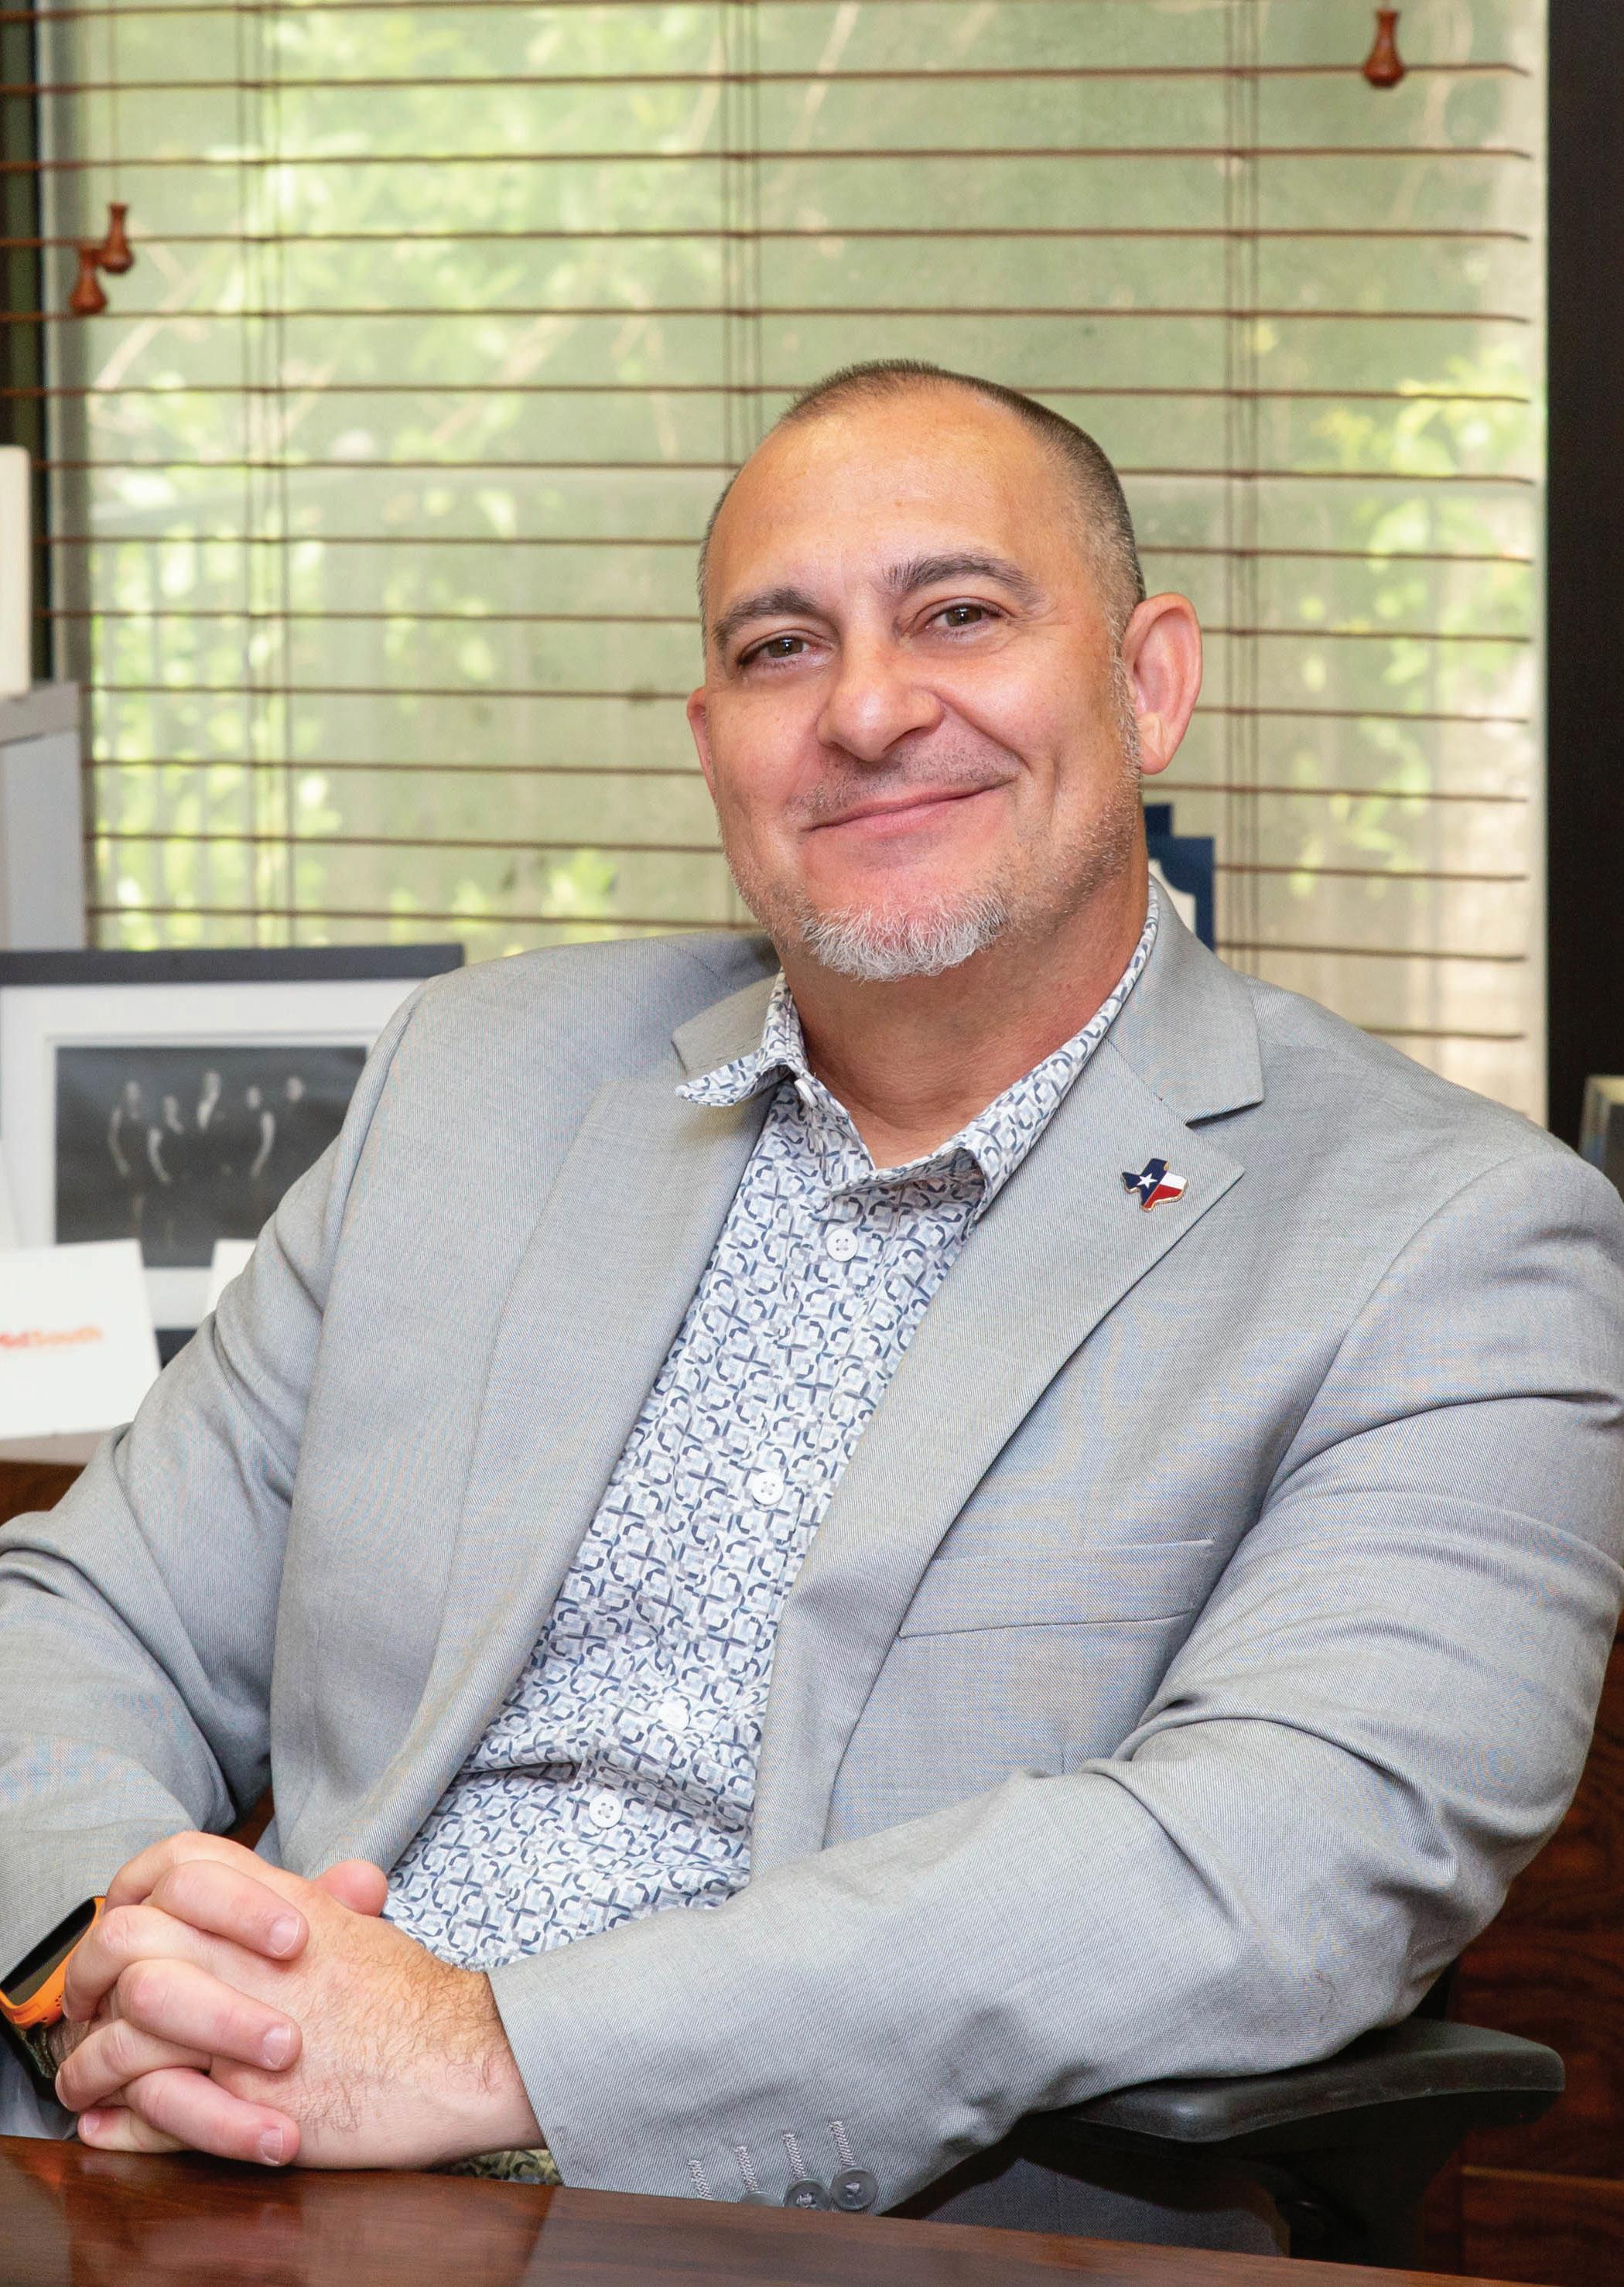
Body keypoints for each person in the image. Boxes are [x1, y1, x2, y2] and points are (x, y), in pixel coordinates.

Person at [2, 361, 1621, 2251]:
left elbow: (1295, 1847)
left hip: (821, 2223)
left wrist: (489, 2048)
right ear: (715, 744)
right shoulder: (475, 1082)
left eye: (961, 614)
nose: (866, 709)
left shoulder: (1450, 1234)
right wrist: (114, 1964)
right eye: (782, 648)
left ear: (1151, 680)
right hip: (186, 2154)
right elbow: (74, 1619)